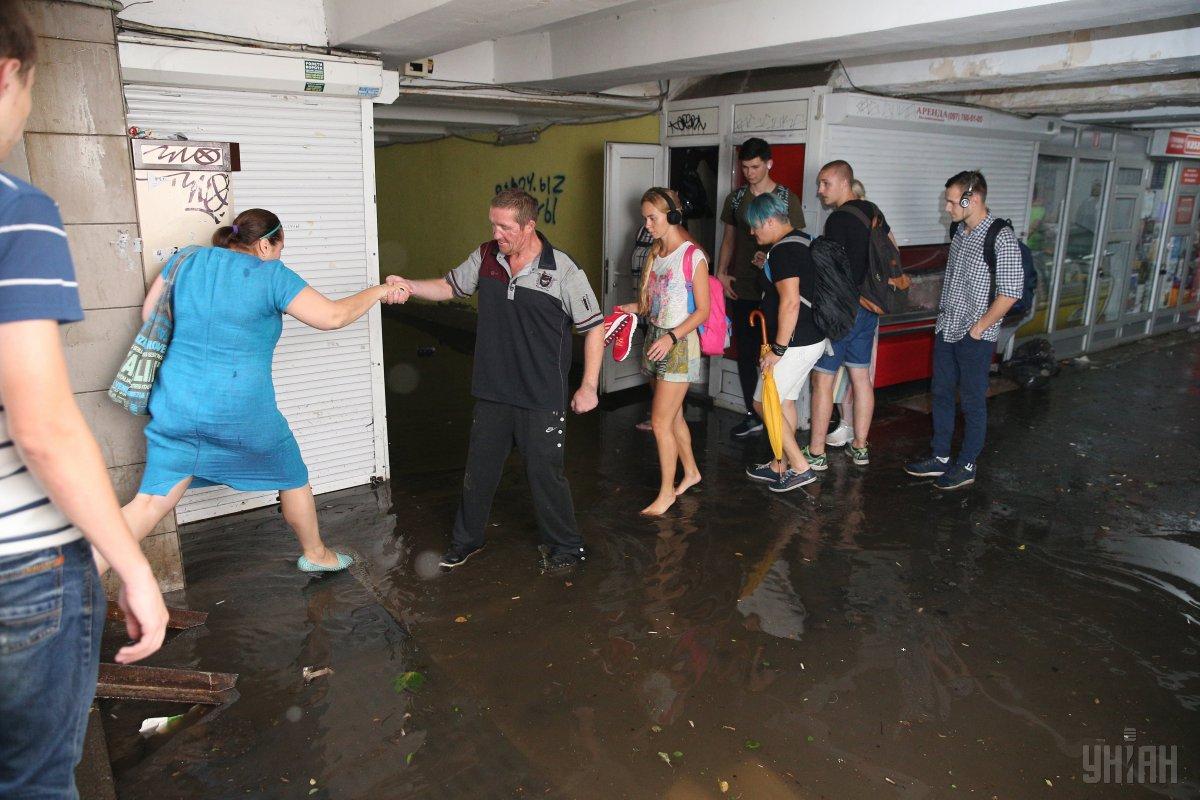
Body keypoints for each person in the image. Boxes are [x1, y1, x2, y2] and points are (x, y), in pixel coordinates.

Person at [0, 3, 169, 795]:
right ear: (9, 75)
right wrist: (132, 570)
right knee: (34, 782)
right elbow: (41, 426)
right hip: (18, 568)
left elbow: (152, 308)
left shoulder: (191, 265)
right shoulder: (16, 210)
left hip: (184, 413)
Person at [96, 208, 407, 578]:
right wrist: (380, 290)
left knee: (150, 502)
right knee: (292, 475)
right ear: (264, 245)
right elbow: (332, 317)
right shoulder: (272, 275)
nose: (278, 256)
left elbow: (151, 314)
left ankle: (80, 571)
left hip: (176, 403)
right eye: (279, 248)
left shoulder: (186, 260)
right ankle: (316, 553)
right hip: (240, 410)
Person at [387, 189, 604, 574]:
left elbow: (594, 328)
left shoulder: (563, 270)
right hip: (493, 389)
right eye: (493, 224)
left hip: (541, 393)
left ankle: (567, 546)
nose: (496, 233)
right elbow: (451, 286)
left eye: (505, 227)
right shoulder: (486, 256)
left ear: (529, 226)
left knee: (545, 475)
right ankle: (466, 541)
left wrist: (588, 385)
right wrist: (410, 285)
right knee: (479, 472)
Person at [904, 171, 1022, 490]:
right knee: (941, 392)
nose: (947, 208)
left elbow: (1010, 292)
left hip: (975, 335)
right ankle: (940, 456)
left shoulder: (1001, 237)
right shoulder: (959, 231)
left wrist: (978, 328)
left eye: (953, 202)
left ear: (975, 199)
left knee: (972, 401)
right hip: (948, 327)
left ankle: (967, 464)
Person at [617, 188, 708, 515]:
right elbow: (654, 302)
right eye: (645, 218)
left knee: (659, 422)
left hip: (678, 343)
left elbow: (703, 311)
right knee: (674, 416)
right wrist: (632, 308)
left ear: (672, 216)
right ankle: (691, 472)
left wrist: (671, 337)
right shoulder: (656, 252)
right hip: (656, 338)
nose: (647, 225)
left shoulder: (692, 256)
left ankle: (666, 493)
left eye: (652, 218)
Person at [715, 138, 806, 440]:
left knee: (775, 353)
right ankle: (753, 414)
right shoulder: (736, 199)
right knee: (746, 352)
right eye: (744, 167)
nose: (749, 173)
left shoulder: (786, 198)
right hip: (742, 285)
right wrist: (722, 272)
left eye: (755, 167)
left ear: (769, 164)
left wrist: (769, 261)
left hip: (777, 288)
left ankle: (776, 414)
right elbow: (729, 238)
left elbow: (795, 240)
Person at [802, 160, 889, 470]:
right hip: (868, 309)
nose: (820, 190)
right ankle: (860, 446)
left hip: (841, 312)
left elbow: (831, 272)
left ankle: (816, 452)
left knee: (822, 380)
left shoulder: (838, 219)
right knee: (861, 378)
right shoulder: (873, 211)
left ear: (844, 183)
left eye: (825, 183)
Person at [740, 192, 826, 492]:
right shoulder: (802, 240)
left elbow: (790, 303)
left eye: (755, 226)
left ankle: (800, 468)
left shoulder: (783, 251)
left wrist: (777, 349)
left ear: (769, 221)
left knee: (763, 403)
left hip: (795, 341)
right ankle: (780, 463)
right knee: (784, 400)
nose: (752, 232)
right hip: (811, 337)